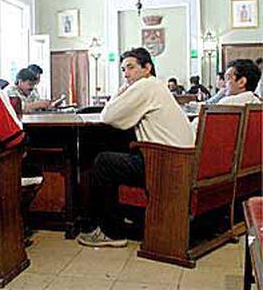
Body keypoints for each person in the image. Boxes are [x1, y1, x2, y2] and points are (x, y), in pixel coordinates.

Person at [77, 47, 195, 248]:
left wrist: (120, 91)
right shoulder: (156, 86)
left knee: (103, 162)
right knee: (116, 155)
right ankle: (117, 220)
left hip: (164, 164)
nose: (126, 74)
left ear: (147, 68)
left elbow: (108, 116)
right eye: (123, 70)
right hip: (179, 161)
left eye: (130, 68)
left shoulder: (146, 86)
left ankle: (110, 232)